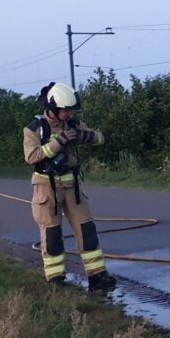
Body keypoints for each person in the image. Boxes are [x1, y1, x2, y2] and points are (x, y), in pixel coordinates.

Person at [22, 82, 116, 292]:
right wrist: (58, 143)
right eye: (65, 110)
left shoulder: (73, 124)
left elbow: (100, 137)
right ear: (53, 108)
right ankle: (56, 281)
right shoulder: (34, 129)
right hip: (47, 187)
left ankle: (97, 276)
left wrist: (85, 136)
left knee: (87, 229)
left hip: (72, 185)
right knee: (52, 235)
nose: (68, 114)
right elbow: (32, 156)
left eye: (70, 111)